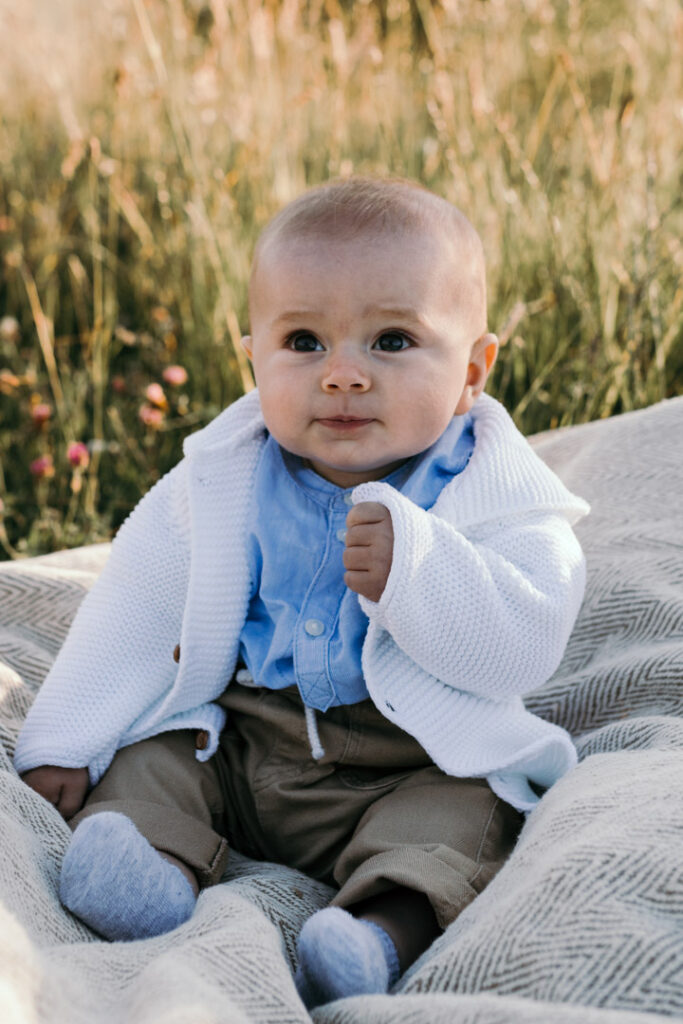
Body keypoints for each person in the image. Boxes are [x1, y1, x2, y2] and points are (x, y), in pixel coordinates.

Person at [14, 177, 589, 1008]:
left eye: (391, 341)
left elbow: (526, 638)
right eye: (305, 342)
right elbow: (134, 606)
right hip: (252, 738)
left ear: (471, 371)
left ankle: (374, 934)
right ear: (252, 355)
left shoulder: (494, 490)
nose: (344, 375)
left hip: (413, 755)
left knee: (464, 819)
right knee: (160, 755)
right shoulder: (223, 478)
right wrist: (65, 739)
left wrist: (421, 571)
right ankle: (146, 862)